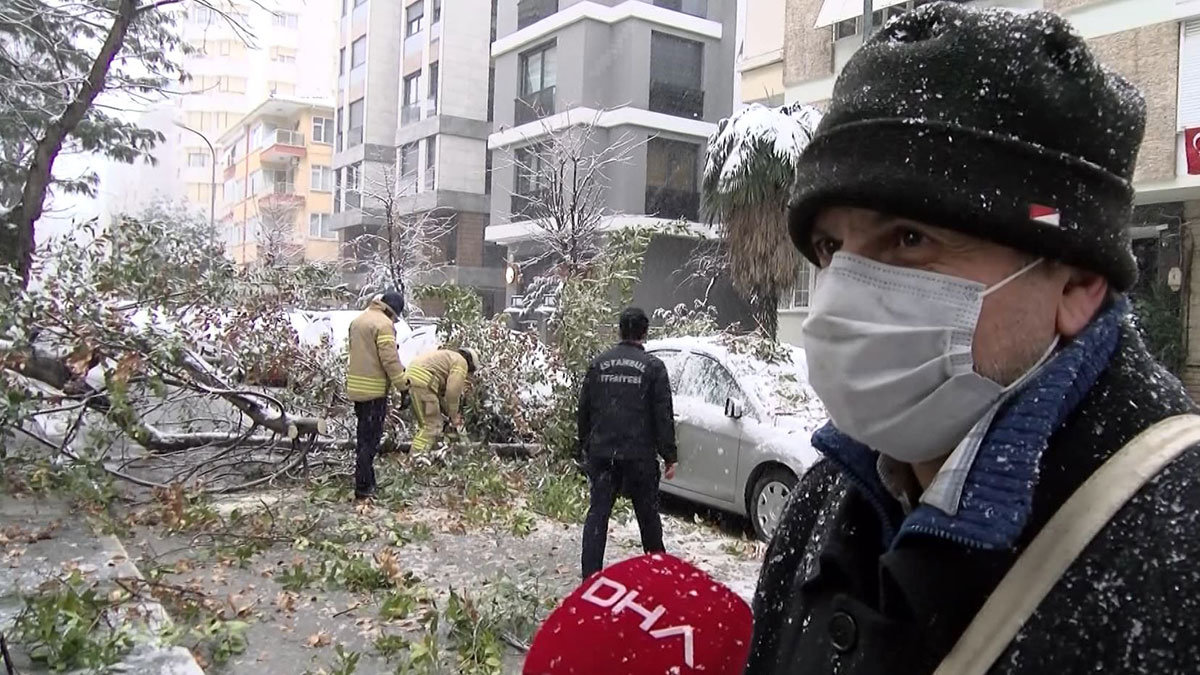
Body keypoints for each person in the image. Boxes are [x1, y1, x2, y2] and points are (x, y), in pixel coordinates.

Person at [747, 4, 1200, 674]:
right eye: (831, 247)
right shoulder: (825, 504)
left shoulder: (1177, 555)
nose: (844, 293)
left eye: (908, 238)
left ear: (1077, 282)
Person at [577, 307, 678, 579]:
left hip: (603, 453)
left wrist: (586, 447)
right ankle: (658, 572)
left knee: (598, 515)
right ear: (644, 333)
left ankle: (590, 576)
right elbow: (662, 415)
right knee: (648, 517)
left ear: (620, 330)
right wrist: (669, 455)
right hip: (639, 456)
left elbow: (584, 410)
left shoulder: (599, 363)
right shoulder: (653, 368)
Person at [346, 290, 409, 500]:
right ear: (393, 312)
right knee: (370, 441)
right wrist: (403, 386)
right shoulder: (383, 325)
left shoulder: (358, 321)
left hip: (356, 388)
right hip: (374, 391)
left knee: (363, 438)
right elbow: (390, 360)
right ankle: (363, 488)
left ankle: (367, 481)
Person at [405, 346, 479, 453]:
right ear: (470, 364)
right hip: (424, 382)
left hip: (414, 379)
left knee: (428, 424)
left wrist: (448, 412)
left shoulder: (447, 357)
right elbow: (452, 392)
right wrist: (454, 416)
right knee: (432, 426)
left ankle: (424, 456)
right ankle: (416, 461)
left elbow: (442, 397)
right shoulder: (461, 363)